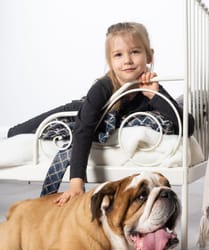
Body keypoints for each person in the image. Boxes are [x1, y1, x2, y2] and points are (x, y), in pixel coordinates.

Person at [4, 22, 195, 206]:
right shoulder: (102, 87)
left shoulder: (151, 87)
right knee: (16, 132)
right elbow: (83, 130)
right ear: (110, 61)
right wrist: (76, 183)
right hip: (75, 112)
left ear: (149, 55)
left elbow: (187, 125)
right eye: (118, 55)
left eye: (135, 52)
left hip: (101, 114)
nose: (127, 60)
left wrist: (155, 96)